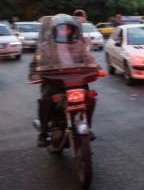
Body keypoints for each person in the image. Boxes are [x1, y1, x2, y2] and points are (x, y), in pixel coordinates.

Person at [29, 14, 98, 147]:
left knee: (89, 97)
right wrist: (34, 75)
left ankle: (87, 126)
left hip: (76, 80)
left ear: (72, 30)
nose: (64, 31)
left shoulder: (79, 45)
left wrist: (95, 67)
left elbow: (88, 59)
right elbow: (34, 64)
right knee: (46, 99)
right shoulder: (45, 47)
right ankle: (43, 132)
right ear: (55, 30)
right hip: (53, 81)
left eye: (67, 29)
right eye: (61, 29)